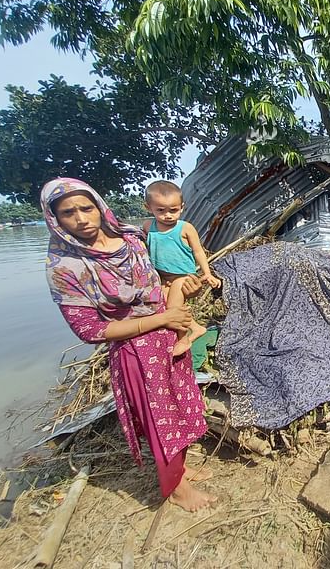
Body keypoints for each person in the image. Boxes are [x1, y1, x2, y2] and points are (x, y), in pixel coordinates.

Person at [41, 177, 217, 512]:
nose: (81, 218)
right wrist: (158, 321)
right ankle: (175, 487)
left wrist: (181, 296)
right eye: (68, 212)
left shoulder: (131, 238)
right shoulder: (65, 267)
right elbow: (89, 329)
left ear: (98, 206)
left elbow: (158, 284)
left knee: (179, 406)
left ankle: (182, 468)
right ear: (55, 219)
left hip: (171, 333)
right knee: (158, 417)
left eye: (86, 207)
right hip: (136, 350)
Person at [143, 180, 221, 357]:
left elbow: (198, 251)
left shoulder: (185, 228)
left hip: (183, 276)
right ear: (148, 208)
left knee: (173, 307)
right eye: (160, 210)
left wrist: (207, 273)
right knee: (161, 307)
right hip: (162, 277)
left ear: (182, 207)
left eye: (173, 210)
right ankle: (197, 328)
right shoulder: (148, 227)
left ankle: (184, 338)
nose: (168, 215)